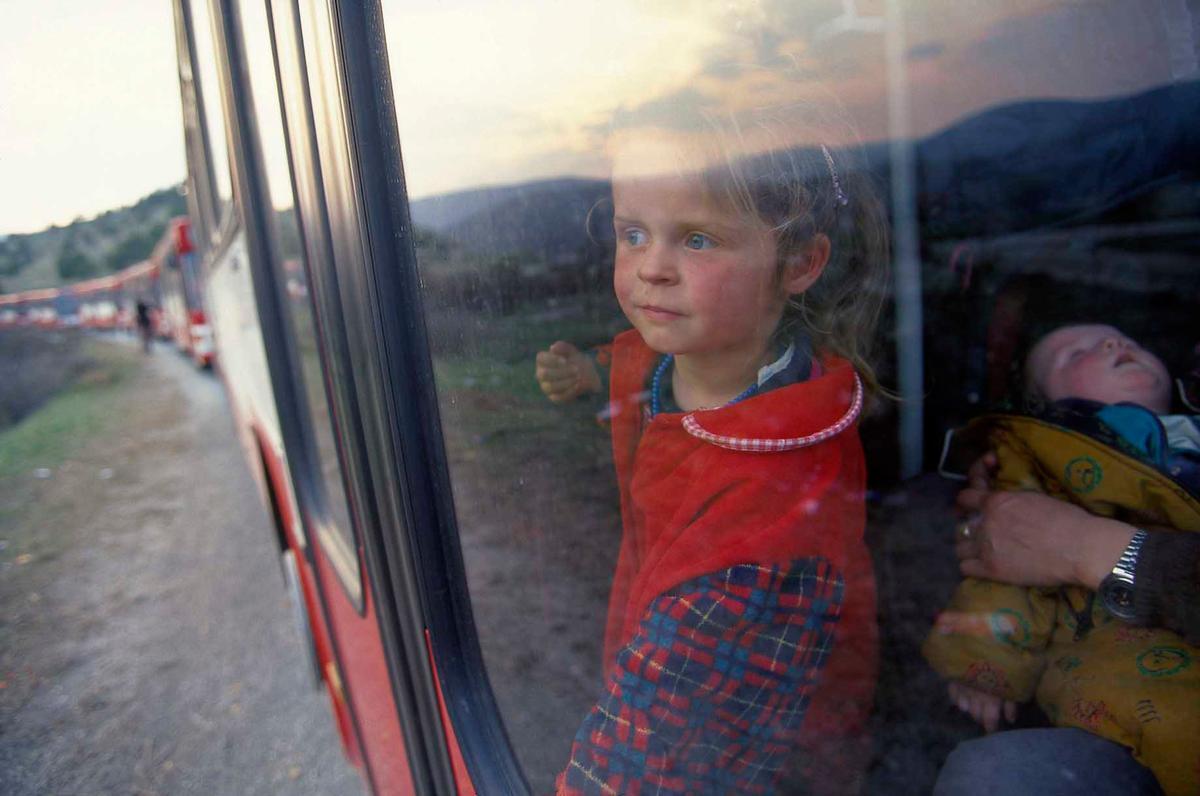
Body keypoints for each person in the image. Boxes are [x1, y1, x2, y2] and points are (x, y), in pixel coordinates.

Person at [535, 99, 890, 794]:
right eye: (632, 233)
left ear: (800, 263)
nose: (652, 268)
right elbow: (635, 365)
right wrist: (589, 376)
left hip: (777, 755)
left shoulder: (767, 523)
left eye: (696, 240)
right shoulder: (684, 357)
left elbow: (654, 761)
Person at [924, 324, 1200, 796]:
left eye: (1130, 339)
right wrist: (984, 668)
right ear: (1044, 407)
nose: (1116, 344)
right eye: (1076, 353)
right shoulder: (1048, 463)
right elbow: (1004, 574)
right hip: (1130, 672)